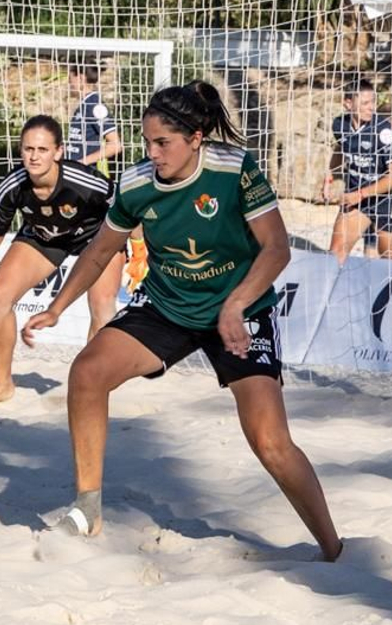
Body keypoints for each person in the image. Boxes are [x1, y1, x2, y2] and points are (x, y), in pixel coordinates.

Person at [23, 81, 341, 562]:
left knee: (270, 442)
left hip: (241, 311)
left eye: (162, 142)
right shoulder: (136, 183)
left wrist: (235, 305)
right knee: (87, 372)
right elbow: (100, 251)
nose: (152, 153)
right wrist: (58, 306)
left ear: (195, 138)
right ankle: (88, 509)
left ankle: (333, 549)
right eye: (147, 142)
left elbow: (277, 250)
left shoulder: (234, 170)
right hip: (168, 306)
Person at [0, 115, 119, 406]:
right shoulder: (13, 185)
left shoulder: (84, 181)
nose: (34, 156)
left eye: (42, 149)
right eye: (28, 149)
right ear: (21, 151)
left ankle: (93, 389)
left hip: (97, 237)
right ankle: (2, 385)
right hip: (45, 237)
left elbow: (125, 208)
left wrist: (139, 248)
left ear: (58, 152)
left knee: (102, 305)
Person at [323, 79, 392, 262]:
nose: (371, 108)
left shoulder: (383, 131)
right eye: (365, 103)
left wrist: (360, 194)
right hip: (358, 199)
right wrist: (329, 179)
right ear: (348, 104)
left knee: (390, 260)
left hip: (389, 199)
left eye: (373, 102)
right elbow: (341, 148)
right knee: (335, 253)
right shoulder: (339, 125)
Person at [65, 60, 123, 177]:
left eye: (70, 79)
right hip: (74, 172)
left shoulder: (95, 105)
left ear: (81, 78)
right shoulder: (85, 104)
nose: (68, 84)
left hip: (85, 174)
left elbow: (115, 146)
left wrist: (82, 163)